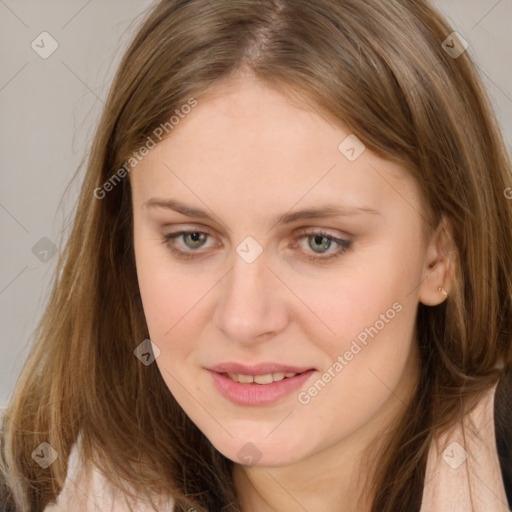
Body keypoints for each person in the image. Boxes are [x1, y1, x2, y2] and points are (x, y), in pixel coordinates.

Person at [1, 0, 511, 511]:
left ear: (440, 256)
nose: (243, 319)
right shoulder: (26, 480)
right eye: (191, 238)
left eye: (319, 242)